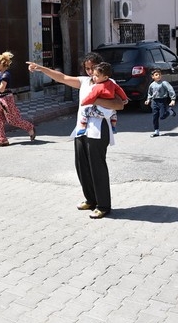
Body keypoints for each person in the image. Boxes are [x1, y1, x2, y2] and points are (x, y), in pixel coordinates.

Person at [27, 53, 126, 219]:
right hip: (82, 128)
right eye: (86, 68)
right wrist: (40, 68)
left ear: (100, 67)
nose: (89, 72)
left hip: (99, 129)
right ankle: (90, 199)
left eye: (92, 68)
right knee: (82, 166)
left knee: (97, 167)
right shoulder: (85, 81)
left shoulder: (108, 83)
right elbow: (62, 77)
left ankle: (103, 205)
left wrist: (94, 100)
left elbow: (119, 104)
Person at [0, 51, 36, 147]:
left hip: (6, 100)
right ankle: (3, 140)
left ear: (2, 64)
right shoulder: (0, 73)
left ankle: (30, 127)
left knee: (12, 120)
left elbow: (2, 88)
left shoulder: (6, 75)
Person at [76, 62, 128, 136]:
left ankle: (82, 127)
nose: (94, 77)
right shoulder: (112, 83)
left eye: (97, 76)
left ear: (105, 77)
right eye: (94, 75)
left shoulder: (98, 87)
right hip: (110, 110)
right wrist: (124, 98)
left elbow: (91, 96)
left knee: (85, 112)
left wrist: (83, 102)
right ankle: (113, 126)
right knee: (114, 115)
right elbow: (119, 90)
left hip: (100, 111)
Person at [144, 68, 177, 138]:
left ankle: (169, 112)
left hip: (162, 101)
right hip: (154, 101)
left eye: (159, 74)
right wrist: (148, 100)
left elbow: (170, 90)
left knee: (162, 116)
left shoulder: (164, 83)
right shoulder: (152, 85)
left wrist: (173, 99)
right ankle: (156, 131)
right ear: (153, 77)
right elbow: (149, 93)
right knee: (155, 117)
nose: (158, 76)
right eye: (156, 75)